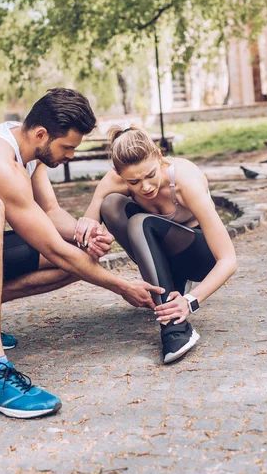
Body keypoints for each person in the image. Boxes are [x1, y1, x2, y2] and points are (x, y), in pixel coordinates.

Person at [0, 90, 164, 419]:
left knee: (80, 254)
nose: (71, 156)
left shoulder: (28, 147)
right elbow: (51, 248)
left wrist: (83, 231)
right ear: (41, 134)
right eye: (68, 147)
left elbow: (49, 212)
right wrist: (122, 286)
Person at [74, 125, 237, 364]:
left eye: (150, 175)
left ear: (159, 157)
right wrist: (91, 237)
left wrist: (190, 301)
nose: (146, 187)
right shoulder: (113, 179)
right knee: (109, 205)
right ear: (118, 174)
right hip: (161, 252)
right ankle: (168, 287)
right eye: (134, 182)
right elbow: (91, 224)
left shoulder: (184, 182)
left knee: (140, 222)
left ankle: (175, 327)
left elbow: (228, 260)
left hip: (200, 257)